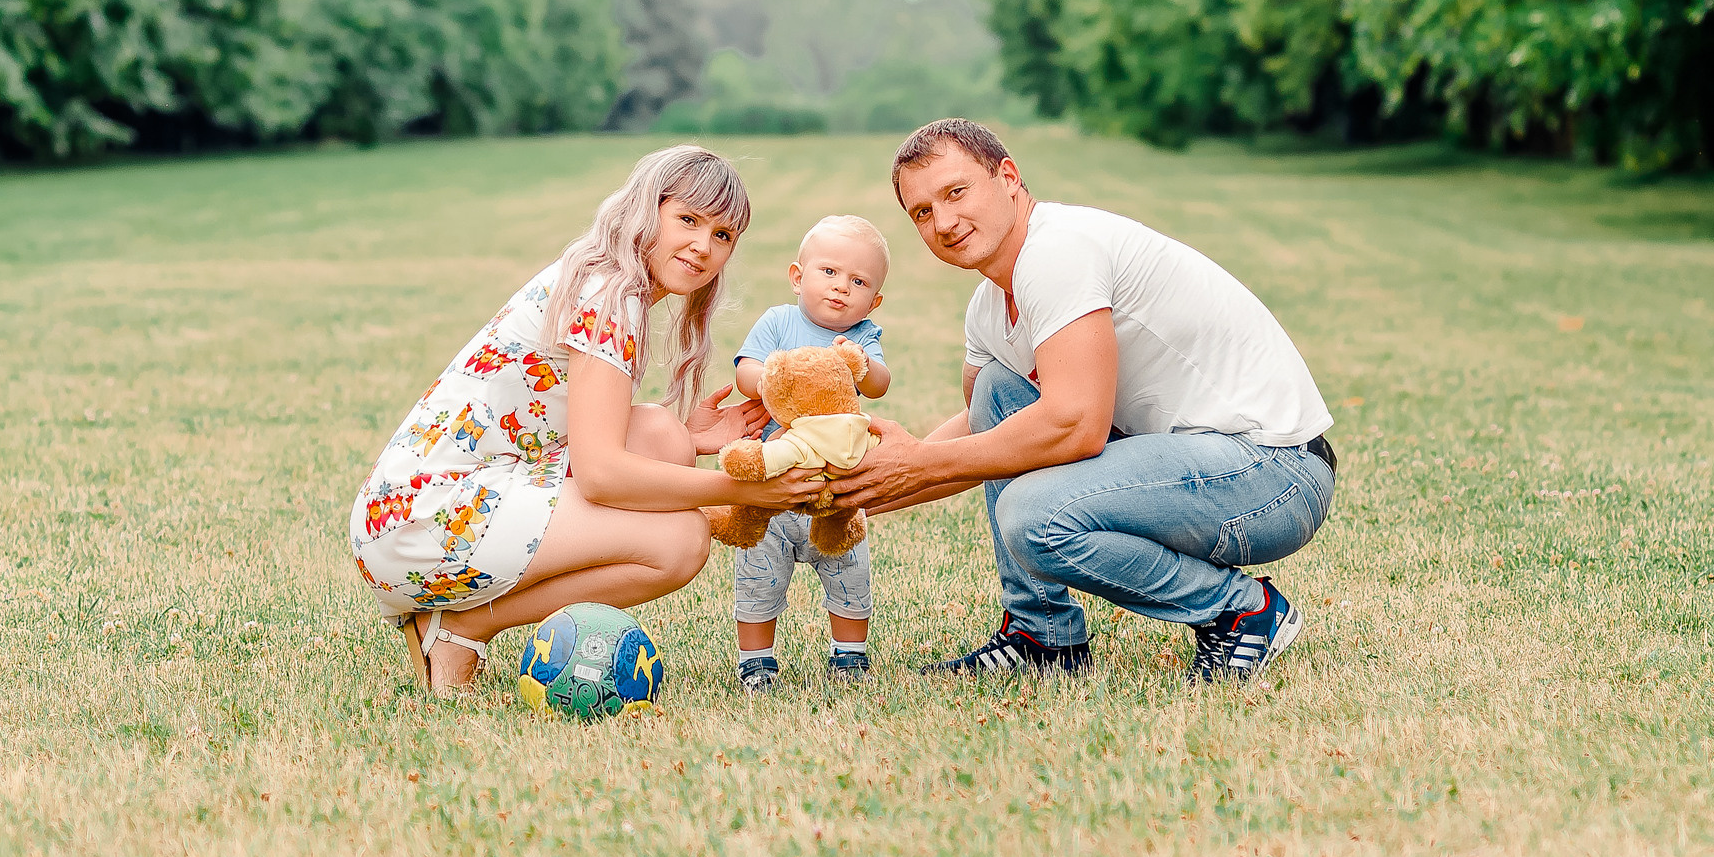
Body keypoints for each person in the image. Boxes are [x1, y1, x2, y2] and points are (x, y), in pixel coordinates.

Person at [829, 120, 1335, 683]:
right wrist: (850, 491)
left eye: (955, 192)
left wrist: (916, 464)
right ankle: (1041, 634)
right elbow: (984, 437)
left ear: (1009, 177)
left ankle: (1243, 611)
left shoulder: (1058, 251)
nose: (943, 222)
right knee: (999, 389)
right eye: (922, 212)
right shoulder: (988, 309)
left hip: (1274, 473)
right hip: (1186, 465)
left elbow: (1076, 426)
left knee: (1034, 517)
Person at [348, 145, 826, 696]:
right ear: (648, 211)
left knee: (663, 436)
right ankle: (463, 625)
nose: (703, 246)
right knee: (682, 542)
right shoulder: (609, 296)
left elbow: (589, 434)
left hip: (413, 507)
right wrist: (742, 490)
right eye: (688, 220)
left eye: (722, 235)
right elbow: (600, 474)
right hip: (420, 523)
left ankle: (458, 621)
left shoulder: (606, 278)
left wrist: (690, 441)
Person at [727, 215, 894, 692]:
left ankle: (850, 655)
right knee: (759, 575)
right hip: (774, 488)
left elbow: (880, 384)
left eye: (858, 281)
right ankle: (756, 660)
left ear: (873, 300)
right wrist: (771, 381)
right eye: (829, 272)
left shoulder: (862, 335)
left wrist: (860, 366)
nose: (842, 288)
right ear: (798, 277)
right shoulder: (779, 321)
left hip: (834, 491)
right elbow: (745, 370)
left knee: (848, 570)